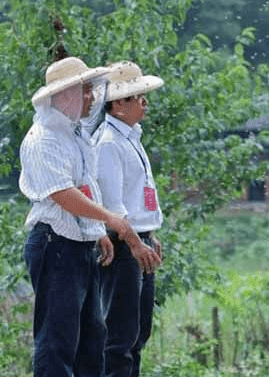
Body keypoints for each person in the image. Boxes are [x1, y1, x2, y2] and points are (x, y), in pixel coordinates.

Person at [19, 57, 161, 377]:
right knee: (58, 340)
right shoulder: (43, 138)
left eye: (89, 90)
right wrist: (113, 221)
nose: (91, 97)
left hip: (79, 244)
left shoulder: (74, 134)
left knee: (91, 340)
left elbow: (87, 186)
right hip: (55, 244)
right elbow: (63, 194)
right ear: (64, 94)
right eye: (83, 91)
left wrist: (97, 230)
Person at [94, 61, 164, 377]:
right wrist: (137, 242)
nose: (143, 102)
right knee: (120, 335)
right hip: (124, 244)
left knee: (138, 332)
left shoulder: (130, 138)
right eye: (137, 96)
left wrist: (150, 234)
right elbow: (113, 206)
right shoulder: (108, 143)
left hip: (138, 239)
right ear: (118, 103)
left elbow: (137, 195)